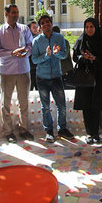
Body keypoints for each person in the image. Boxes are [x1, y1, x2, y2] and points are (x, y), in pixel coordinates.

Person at [0, 4, 34, 142]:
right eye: (13, 12)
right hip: (6, 72)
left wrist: (25, 53)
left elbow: (30, 46)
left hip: (23, 70)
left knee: (24, 102)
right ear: (6, 13)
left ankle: (24, 129)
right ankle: (8, 131)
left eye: (17, 12)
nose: (15, 15)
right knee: (6, 103)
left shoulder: (24, 29)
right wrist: (11, 53)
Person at [31, 14, 74, 142]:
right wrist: (47, 55)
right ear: (40, 26)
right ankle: (49, 131)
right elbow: (34, 60)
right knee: (45, 107)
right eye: (43, 23)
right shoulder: (37, 41)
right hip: (42, 78)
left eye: (48, 22)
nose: (46, 24)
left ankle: (62, 129)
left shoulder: (59, 37)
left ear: (51, 23)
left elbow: (64, 54)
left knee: (61, 105)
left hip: (56, 76)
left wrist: (56, 53)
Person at [73, 17, 102, 144]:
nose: (89, 29)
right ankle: (89, 133)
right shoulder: (81, 40)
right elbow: (75, 57)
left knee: (96, 104)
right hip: (85, 76)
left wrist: (95, 58)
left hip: (98, 76)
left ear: (96, 28)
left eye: (91, 27)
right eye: (87, 27)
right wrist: (83, 57)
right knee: (86, 105)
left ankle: (96, 133)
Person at [28, 21, 40, 91]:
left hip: (38, 67)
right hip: (30, 67)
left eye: (36, 27)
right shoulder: (27, 39)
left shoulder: (39, 37)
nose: (36, 29)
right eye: (34, 27)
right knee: (30, 88)